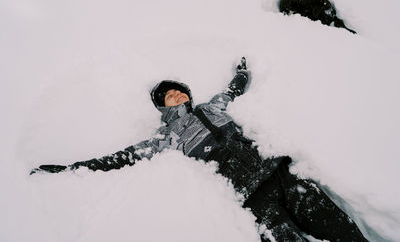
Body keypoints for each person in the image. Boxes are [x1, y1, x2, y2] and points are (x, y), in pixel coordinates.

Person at [31, 57, 367, 242]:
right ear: (163, 108)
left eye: (178, 92)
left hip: (279, 173)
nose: (176, 97)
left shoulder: (211, 108)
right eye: (168, 97)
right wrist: (72, 167)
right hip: (253, 199)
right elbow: (121, 158)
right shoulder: (166, 138)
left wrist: (242, 73)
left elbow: (232, 91)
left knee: (340, 228)